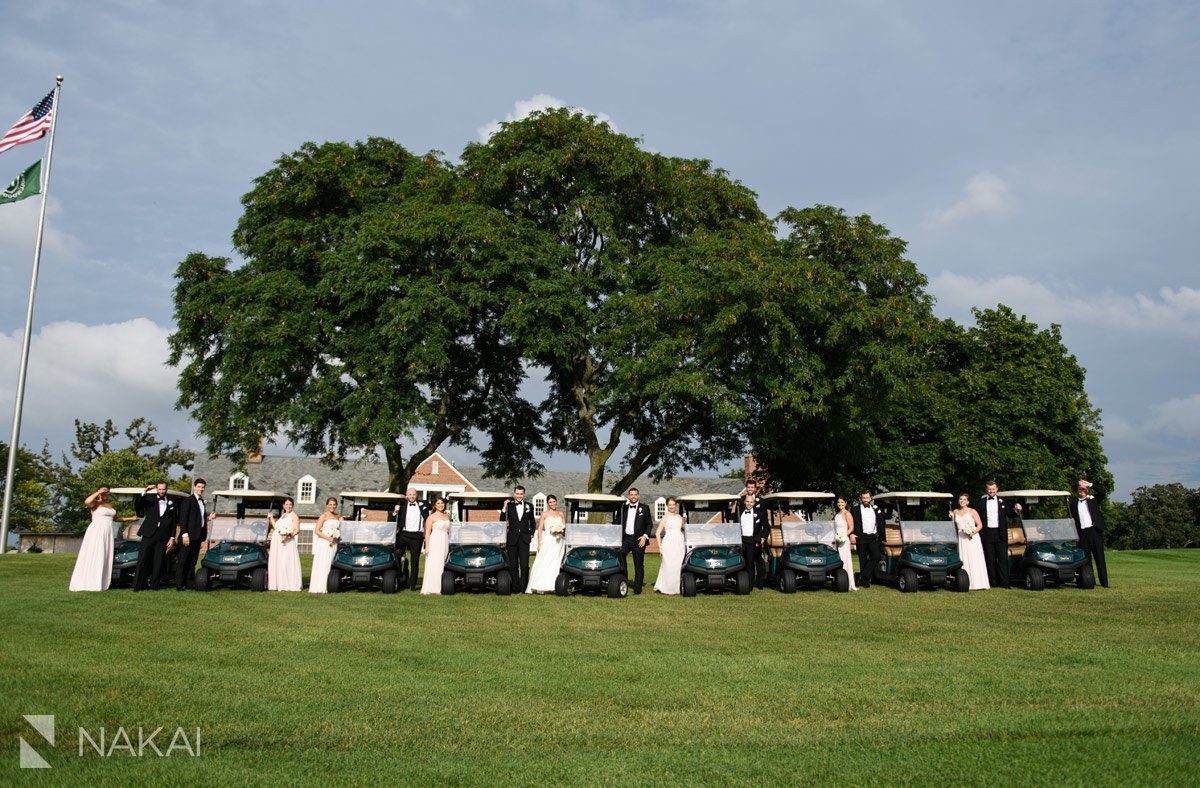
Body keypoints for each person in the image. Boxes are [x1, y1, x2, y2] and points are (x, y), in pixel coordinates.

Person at [70, 486, 136, 592]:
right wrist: (98, 492)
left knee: (105, 553)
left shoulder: (110, 505)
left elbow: (117, 518)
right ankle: (89, 581)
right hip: (97, 530)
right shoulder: (95, 503)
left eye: (107, 491)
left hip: (108, 531)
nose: (105, 493)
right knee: (96, 552)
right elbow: (87, 501)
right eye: (103, 491)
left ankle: (101, 580)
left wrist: (131, 518)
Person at [133, 481, 178, 591]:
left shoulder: (172, 503)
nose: (161, 491)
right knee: (143, 559)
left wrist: (172, 537)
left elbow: (173, 522)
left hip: (163, 536)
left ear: (166, 489)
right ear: (156, 489)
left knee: (158, 561)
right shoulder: (150, 500)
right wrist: (145, 491)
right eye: (159, 489)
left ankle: (154, 585)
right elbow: (138, 503)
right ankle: (138, 585)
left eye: (163, 489)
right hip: (149, 534)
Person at [978, 481, 1021, 589]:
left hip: (1000, 534)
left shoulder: (1003, 501)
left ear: (997, 489)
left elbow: (1011, 514)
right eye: (989, 489)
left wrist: (1017, 510)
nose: (991, 491)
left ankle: (1005, 583)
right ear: (986, 490)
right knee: (990, 560)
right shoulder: (981, 502)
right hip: (987, 534)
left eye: (993, 489)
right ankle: (992, 583)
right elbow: (976, 517)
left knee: (1002, 559)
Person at [174, 478, 215, 590]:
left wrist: (208, 518)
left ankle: (189, 583)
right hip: (187, 537)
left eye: (202, 487)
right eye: (199, 487)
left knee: (192, 561)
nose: (201, 489)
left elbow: (197, 519)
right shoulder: (188, 501)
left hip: (197, 537)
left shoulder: (202, 502)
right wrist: (184, 535)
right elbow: (183, 519)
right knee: (183, 560)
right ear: (194, 487)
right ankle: (179, 584)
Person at [1068, 479, 1109, 588]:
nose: (1081, 490)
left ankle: (1104, 582)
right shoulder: (1073, 504)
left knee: (1099, 557)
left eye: (1083, 489)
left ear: (1087, 490)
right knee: (1086, 559)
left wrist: (1090, 484)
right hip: (1082, 533)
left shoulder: (1093, 499)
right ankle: (1090, 581)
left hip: (1094, 531)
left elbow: (1102, 492)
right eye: (1079, 489)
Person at [615, 488, 653, 594]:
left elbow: (649, 524)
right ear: (628, 496)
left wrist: (645, 536)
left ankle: (637, 588)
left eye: (635, 494)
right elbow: (618, 520)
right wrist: (610, 524)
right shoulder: (624, 508)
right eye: (631, 494)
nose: (633, 496)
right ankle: (624, 581)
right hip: (626, 538)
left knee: (638, 564)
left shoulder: (644, 508)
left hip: (639, 539)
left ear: (638, 495)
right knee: (621, 555)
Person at [526, 495, 566, 594]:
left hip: (559, 541)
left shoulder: (561, 513)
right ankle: (541, 585)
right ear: (548, 504)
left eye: (554, 501)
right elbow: (540, 529)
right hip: (548, 540)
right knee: (544, 561)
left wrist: (561, 531)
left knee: (556, 561)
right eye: (550, 502)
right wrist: (539, 543)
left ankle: (555, 585)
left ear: (556, 502)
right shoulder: (544, 514)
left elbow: (565, 527)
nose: (552, 503)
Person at [500, 485, 537, 593]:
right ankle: (515, 588)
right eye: (517, 493)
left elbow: (533, 522)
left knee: (524, 565)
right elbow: (502, 520)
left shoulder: (529, 506)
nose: (519, 495)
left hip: (525, 540)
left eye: (521, 494)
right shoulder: (509, 506)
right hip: (512, 539)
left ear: (524, 494)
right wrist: (504, 507)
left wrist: (531, 534)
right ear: (514, 493)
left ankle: (524, 587)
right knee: (513, 565)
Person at [849, 490, 889, 588]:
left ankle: (862, 575)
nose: (865, 499)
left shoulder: (876, 509)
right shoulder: (855, 509)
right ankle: (865, 581)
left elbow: (887, 516)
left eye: (867, 497)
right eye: (863, 498)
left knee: (876, 556)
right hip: (861, 537)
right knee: (862, 560)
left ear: (871, 498)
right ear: (861, 498)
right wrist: (852, 534)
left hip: (873, 537)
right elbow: (850, 522)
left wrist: (887, 504)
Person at [393, 489, 430, 591]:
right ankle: (399, 574)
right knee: (394, 551)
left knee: (415, 561)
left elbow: (436, 506)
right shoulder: (402, 504)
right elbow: (394, 519)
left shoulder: (423, 504)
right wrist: (395, 511)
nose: (412, 496)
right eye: (410, 494)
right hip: (403, 534)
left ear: (417, 495)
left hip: (417, 536)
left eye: (413, 494)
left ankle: (412, 584)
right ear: (406, 495)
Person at [952, 493, 989, 590]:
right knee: (963, 559)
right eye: (960, 499)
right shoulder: (955, 511)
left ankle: (977, 583)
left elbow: (980, 525)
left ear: (968, 501)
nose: (962, 501)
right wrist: (951, 517)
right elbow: (954, 526)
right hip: (961, 538)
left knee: (974, 558)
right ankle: (964, 582)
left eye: (964, 499)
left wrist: (973, 532)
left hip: (972, 538)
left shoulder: (972, 511)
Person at [267, 497, 302, 591]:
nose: (288, 506)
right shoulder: (283, 516)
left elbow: (297, 530)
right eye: (286, 504)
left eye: (290, 504)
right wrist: (271, 518)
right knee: (278, 561)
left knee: (285, 561)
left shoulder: (294, 516)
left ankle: (288, 584)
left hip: (287, 542)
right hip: (277, 542)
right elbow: (277, 527)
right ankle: (278, 583)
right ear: (283, 506)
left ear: (293, 505)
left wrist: (289, 536)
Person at [735, 493, 769, 588]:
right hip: (741, 540)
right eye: (747, 501)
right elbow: (734, 526)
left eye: (751, 502)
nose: (749, 503)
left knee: (750, 563)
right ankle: (742, 583)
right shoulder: (739, 513)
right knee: (742, 563)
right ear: (744, 502)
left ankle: (749, 586)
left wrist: (763, 538)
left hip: (752, 541)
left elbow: (767, 527)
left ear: (754, 503)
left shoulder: (759, 514)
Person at [653, 496, 685, 594]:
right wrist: (660, 547)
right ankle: (667, 588)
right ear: (667, 506)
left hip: (679, 542)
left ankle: (678, 587)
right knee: (669, 564)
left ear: (676, 505)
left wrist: (684, 519)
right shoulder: (665, 517)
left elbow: (683, 528)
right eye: (670, 505)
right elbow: (657, 533)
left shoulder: (679, 517)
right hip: (669, 543)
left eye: (673, 504)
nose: (672, 506)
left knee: (678, 564)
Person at [420, 498, 451, 595]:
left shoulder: (447, 516)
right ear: (435, 505)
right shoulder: (431, 517)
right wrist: (427, 547)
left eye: (442, 503)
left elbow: (449, 531)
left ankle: (443, 586)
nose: (441, 505)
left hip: (445, 541)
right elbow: (427, 533)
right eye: (438, 503)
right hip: (435, 541)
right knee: (434, 563)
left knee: (443, 563)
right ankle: (432, 587)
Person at [309, 497, 340, 594]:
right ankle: (321, 586)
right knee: (324, 564)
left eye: (334, 504)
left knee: (332, 563)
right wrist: (328, 538)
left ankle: (331, 585)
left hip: (334, 544)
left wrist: (336, 536)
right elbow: (317, 531)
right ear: (327, 505)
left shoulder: (338, 517)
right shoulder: (324, 516)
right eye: (330, 504)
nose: (332, 506)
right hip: (325, 543)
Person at [832, 496, 858, 591]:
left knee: (844, 560)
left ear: (845, 503)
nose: (840, 504)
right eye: (839, 502)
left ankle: (847, 582)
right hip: (836, 540)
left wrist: (843, 536)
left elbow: (851, 527)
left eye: (842, 502)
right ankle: (838, 579)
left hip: (843, 539)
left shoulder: (847, 513)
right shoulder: (836, 514)